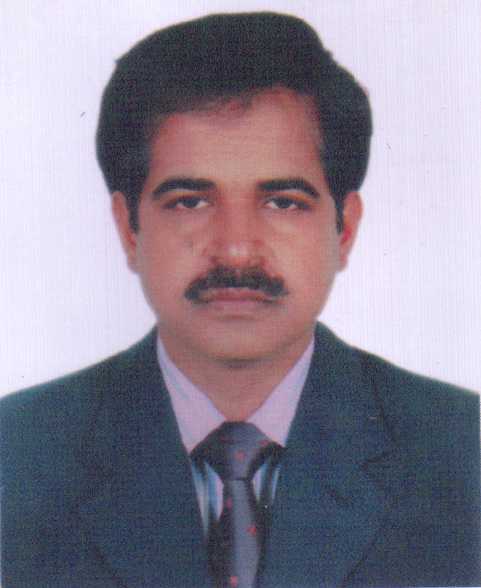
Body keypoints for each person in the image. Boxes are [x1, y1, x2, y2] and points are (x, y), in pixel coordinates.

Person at [1, 12, 479, 588]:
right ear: (129, 229)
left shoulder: (464, 453)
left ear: (344, 230)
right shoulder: (17, 456)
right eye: (189, 201)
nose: (235, 249)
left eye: (283, 202)